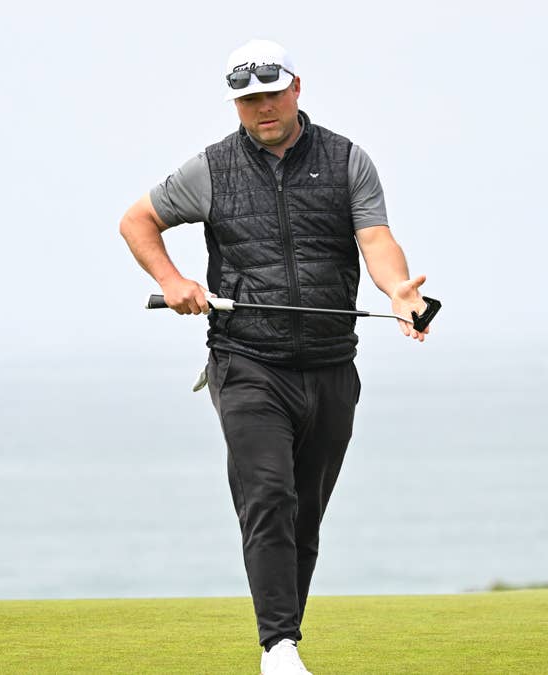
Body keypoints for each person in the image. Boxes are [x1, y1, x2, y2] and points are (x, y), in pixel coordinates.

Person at [119, 39, 431, 675]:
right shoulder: (210, 169)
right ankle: (278, 649)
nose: (261, 108)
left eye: (270, 94)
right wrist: (173, 281)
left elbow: (375, 237)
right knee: (267, 495)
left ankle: (285, 639)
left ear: (296, 89)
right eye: (247, 100)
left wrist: (397, 289)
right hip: (247, 362)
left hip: (331, 365)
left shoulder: (346, 160)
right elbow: (137, 221)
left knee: (304, 515)